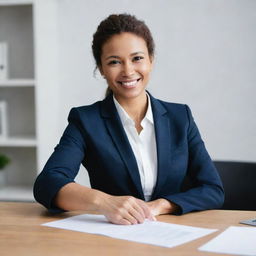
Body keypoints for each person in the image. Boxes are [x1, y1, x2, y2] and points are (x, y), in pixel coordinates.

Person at [33, 13, 224, 225]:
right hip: (112, 235)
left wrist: (161, 205)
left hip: (172, 233)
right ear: (101, 69)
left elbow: (212, 189)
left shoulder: (181, 117)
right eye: (114, 62)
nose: (128, 71)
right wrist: (105, 202)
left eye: (137, 58)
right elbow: (48, 183)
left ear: (151, 60)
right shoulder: (86, 120)